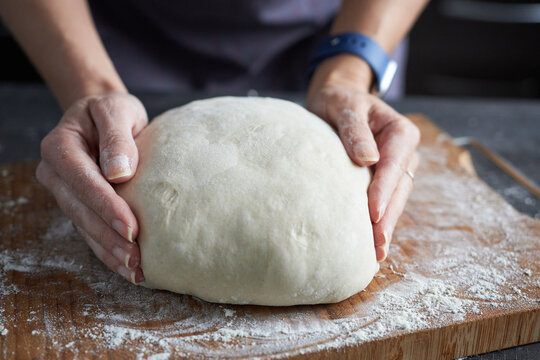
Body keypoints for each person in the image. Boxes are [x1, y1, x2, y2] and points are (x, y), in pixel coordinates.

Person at [0, 0, 426, 285]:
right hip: (119, 41)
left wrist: (350, 70)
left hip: (344, 30)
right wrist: (91, 89)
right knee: (116, 161)